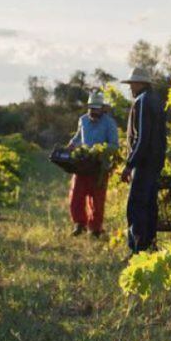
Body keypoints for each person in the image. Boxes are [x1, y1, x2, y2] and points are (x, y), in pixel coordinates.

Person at [119, 70, 167, 253]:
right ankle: (150, 245)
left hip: (144, 162)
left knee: (136, 205)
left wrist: (130, 163)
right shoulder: (156, 100)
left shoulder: (142, 101)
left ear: (141, 84)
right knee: (149, 204)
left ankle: (137, 249)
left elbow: (141, 137)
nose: (130, 87)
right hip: (155, 161)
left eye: (132, 83)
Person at [67, 90, 119, 237]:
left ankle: (95, 229)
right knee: (76, 195)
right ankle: (79, 224)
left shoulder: (109, 123)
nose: (93, 111)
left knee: (97, 199)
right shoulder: (83, 120)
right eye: (91, 108)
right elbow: (78, 137)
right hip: (82, 164)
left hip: (100, 166)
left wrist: (100, 151)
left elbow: (114, 145)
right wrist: (71, 145)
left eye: (96, 108)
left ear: (102, 108)